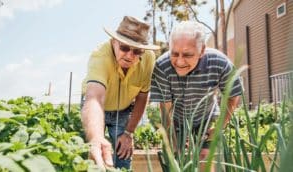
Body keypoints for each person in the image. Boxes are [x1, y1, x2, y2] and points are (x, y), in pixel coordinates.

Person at [150, 21, 242, 171]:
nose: (179, 61)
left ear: (202, 50)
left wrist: (218, 128)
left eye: (187, 55)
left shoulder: (220, 63)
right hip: (176, 122)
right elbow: (166, 110)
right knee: (176, 163)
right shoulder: (162, 66)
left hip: (206, 120)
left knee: (205, 158)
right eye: (174, 53)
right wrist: (173, 143)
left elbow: (232, 96)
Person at [81, 16, 160, 170]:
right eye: (124, 48)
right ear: (114, 42)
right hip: (96, 110)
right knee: (95, 155)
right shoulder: (100, 55)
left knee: (123, 155)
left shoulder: (149, 59)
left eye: (137, 51)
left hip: (123, 111)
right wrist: (96, 137)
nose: (130, 55)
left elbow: (143, 97)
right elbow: (94, 98)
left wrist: (129, 133)